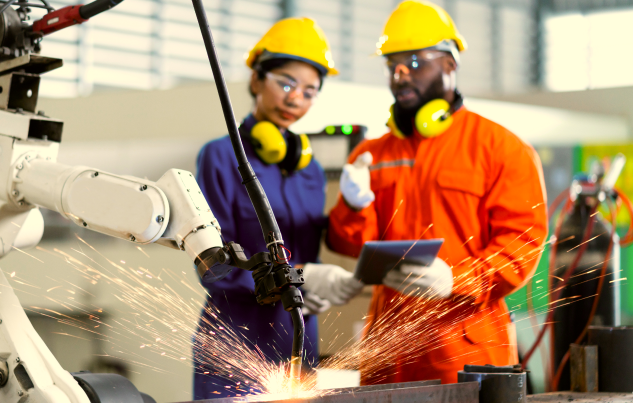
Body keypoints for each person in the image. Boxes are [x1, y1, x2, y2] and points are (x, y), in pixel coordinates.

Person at [327, 0, 548, 385]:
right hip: (388, 350)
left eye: (413, 62)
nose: (399, 75)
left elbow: (522, 243)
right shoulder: (372, 154)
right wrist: (352, 204)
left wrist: (457, 280)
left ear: (450, 63)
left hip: (465, 349)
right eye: (391, 64)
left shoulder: (501, 148)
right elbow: (349, 245)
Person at [193, 17, 363, 399]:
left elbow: (310, 253)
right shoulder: (221, 157)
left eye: (309, 91)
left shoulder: (311, 170)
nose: (295, 99)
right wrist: (298, 276)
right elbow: (213, 267)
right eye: (285, 83)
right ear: (256, 80)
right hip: (233, 346)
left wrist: (353, 207)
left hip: (296, 342)